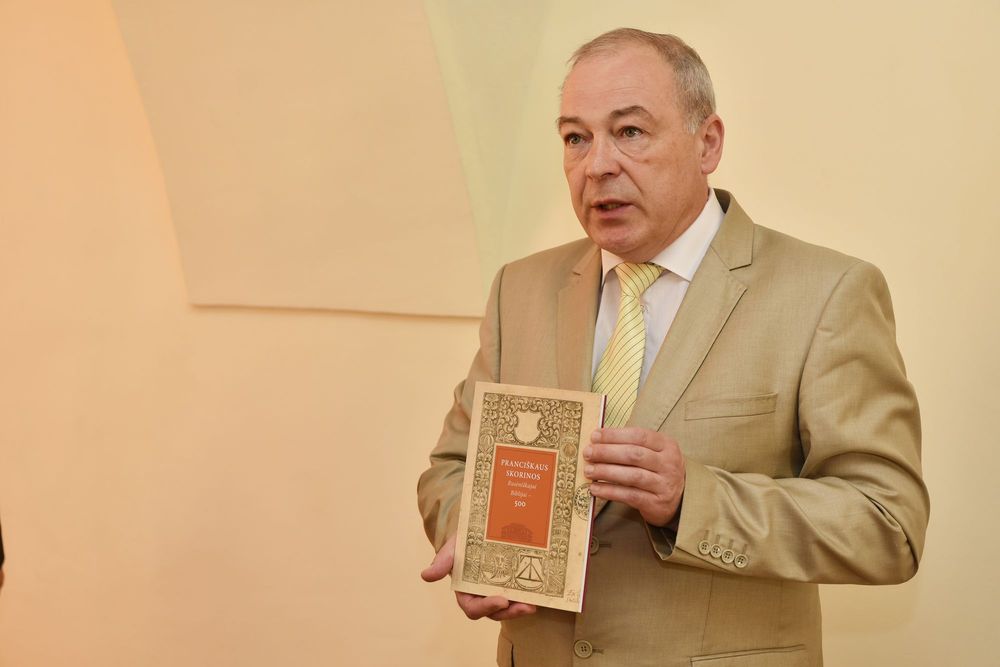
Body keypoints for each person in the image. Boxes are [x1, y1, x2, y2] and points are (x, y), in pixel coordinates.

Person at [418, 28, 929, 667]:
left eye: (630, 131)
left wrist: (693, 500)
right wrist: (475, 541)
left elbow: (888, 525)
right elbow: (452, 466)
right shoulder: (520, 288)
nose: (597, 165)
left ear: (707, 142)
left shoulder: (826, 293)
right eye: (576, 138)